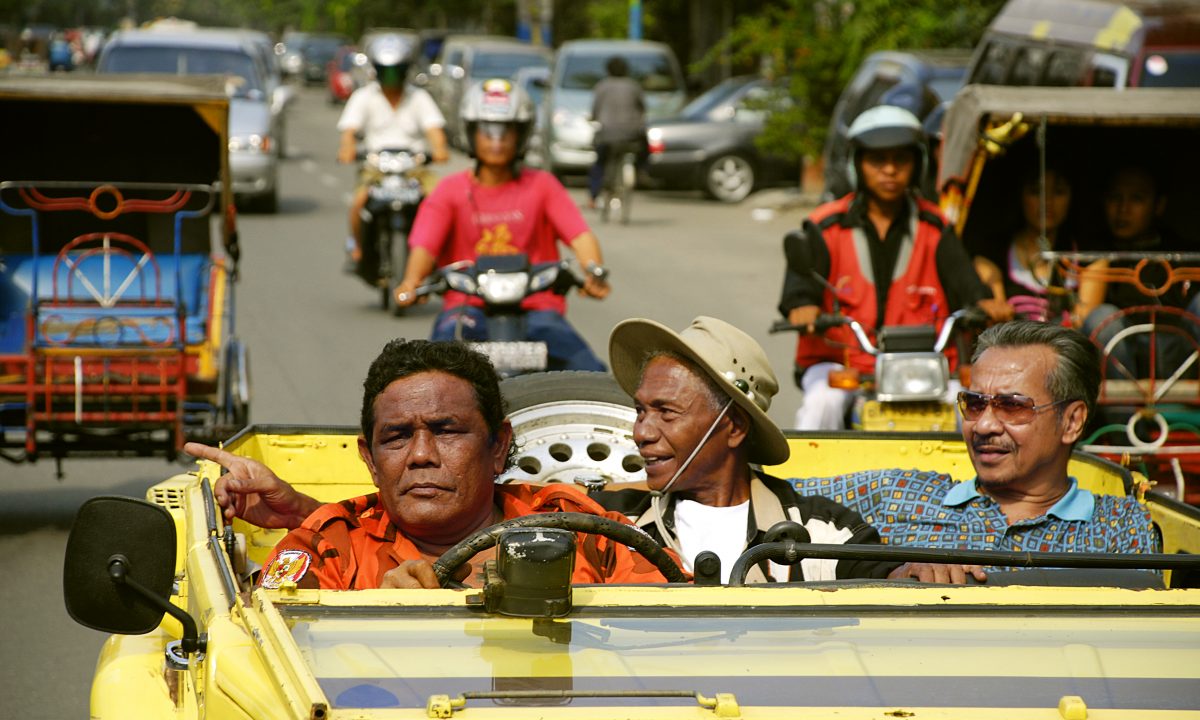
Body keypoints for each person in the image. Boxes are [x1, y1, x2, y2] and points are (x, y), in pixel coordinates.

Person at [185, 339, 669, 590]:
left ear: (498, 446)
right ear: (370, 461)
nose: (420, 455)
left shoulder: (579, 527)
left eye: (446, 430)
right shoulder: (326, 547)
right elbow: (267, 666)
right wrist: (383, 617)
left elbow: (681, 629)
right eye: (396, 437)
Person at [792, 320, 1161, 575]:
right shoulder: (896, 495)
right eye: (974, 404)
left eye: (1012, 406)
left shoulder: (1121, 527)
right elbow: (768, 494)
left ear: (1072, 421)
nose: (984, 425)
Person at [778, 104, 1005, 430]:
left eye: (901, 160)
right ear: (857, 164)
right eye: (877, 160)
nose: (890, 170)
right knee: (820, 406)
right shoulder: (824, 226)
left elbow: (965, 282)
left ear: (918, 164)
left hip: (922, 367)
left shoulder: (935, 226)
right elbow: (800, 285)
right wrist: (803, 306)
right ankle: (805, 482)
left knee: (968, 411)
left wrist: (985, 303)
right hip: (843, 363)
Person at [393, 78, 609, 372]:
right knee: (433, 377)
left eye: (506, 130)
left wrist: (592, 270)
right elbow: (424, 246)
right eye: (487, 130)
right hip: (466, 308)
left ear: (521, 135)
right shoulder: (449, 190)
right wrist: (412, 280)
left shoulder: (543, 186)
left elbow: (580, 235)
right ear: (471, 133)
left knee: (592, 377)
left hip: (538, 311)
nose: (497, 140)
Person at [337, 34, 449, 270]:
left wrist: (439, 149)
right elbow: (349, 131)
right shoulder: (364, 97)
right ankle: (356, 247)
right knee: (358, 202)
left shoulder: (419, 97)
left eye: (395, 71)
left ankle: (439, 254)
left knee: (439, 203)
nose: (390, 78)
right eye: (385, 71)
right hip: (375, 169)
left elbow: (435, 131)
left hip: (415, 170)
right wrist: (347, 149)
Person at [1076, 164, 1199, 379]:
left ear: (1158, 205)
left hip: (1181, 354)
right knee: (1101, 317)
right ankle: (1125, 413)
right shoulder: (1097, 252)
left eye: (1136, 199)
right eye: (1115, 198)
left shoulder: (1182, 251)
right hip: (1124, 357)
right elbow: (1086, 314)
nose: (1123, 209)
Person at [973, 163, 1077, 323]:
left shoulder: (1082, 255)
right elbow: (998, 316)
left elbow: (1086, 316)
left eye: (1058, 192)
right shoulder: (993, 253)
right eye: (1036, 192)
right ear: (1020, 195)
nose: (1047, 201)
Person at [588, 56, 646, 209]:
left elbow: (595, 111)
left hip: (607, 134)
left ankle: (593, 197)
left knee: (599, 162)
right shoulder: (633, 86)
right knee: (645, 148)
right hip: (631, 134)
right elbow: (642, 108)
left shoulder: (602, 86)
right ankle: (642, 172)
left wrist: (593, 118)